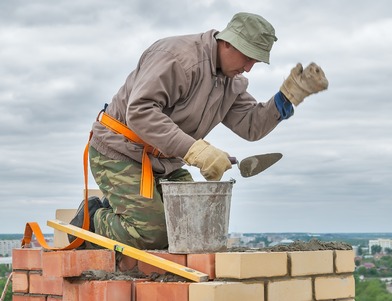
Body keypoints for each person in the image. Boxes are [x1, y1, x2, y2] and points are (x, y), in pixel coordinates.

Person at [69, 12, 328, 250]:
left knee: (191, 227)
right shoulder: (177, 59)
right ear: (228, 42)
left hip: (165, 162)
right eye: (248, 57)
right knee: (153, 235)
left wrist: (288, 98)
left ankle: (124, 210)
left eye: (255, 61)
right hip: (120, 152)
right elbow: (140, 111)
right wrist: (196, 150)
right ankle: (90, 219)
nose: (249, 67)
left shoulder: (229, 82)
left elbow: (251, 125)